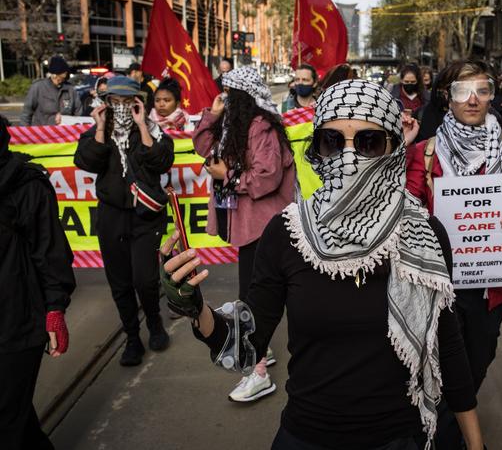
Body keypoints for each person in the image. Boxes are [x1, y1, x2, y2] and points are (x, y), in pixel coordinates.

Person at [164, 79, 485, 450]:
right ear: (317, 150)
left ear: (394, 148)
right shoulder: (287, 234)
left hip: (404, 435)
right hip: (309, 434)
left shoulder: (425, 233)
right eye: (333, 142)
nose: (349, 159)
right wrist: (196, 308)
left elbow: (448, 346)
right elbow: (248, 346)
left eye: (368, 142)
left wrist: (475, 443)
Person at [406, 60, 502, 449]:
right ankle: (449, 436)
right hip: (437, 286)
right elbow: (401, 205)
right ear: (446, 97)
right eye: (461, 91)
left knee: (476, 363)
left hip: (491, 288)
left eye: (482, 90)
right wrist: (400, 149)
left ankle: (446, 428)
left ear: (492, 95)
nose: (472, 100)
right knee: (437, 366)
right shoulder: (423, 154)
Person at [192, 67, 296, 403]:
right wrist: (212, 114)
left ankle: (258, 372)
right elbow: (201, 145)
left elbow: (266, 176)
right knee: (258, 295)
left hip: (265, 227)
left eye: (228, 95)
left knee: (253, 299)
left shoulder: (261, 127)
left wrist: (230, 176)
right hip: (250, 224)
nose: (224, 99)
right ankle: (262, 348)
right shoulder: (231, 125)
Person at [74, 76, 174, 367]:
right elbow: (87, 162)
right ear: (105, 104)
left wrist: (143, 125)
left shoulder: (153, 131)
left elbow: (161, 161)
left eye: (126, 102)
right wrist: (102, 128)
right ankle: (132, 337)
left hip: (145, 217)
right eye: (114, 102)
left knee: (144, 279)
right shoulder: (96, 133)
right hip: (111, 217)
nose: (120, 108)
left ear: (137, 103)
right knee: (119, 283)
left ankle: (154, 323)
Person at [0, 115, 76, 449]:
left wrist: (54, 309)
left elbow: (51, 252)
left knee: (7, 421)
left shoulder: (24, 185)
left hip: (16, 326)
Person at [20, 55, 82, 126]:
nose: (61, 81)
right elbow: (26, 113)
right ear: (53, 75)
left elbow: (78, 113)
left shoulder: (70, 89)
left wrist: (65, 118)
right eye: (59, 78)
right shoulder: (38, 87)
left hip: (65, 133)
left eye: (63, 78)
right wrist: (25, 133)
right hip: (43, 132)